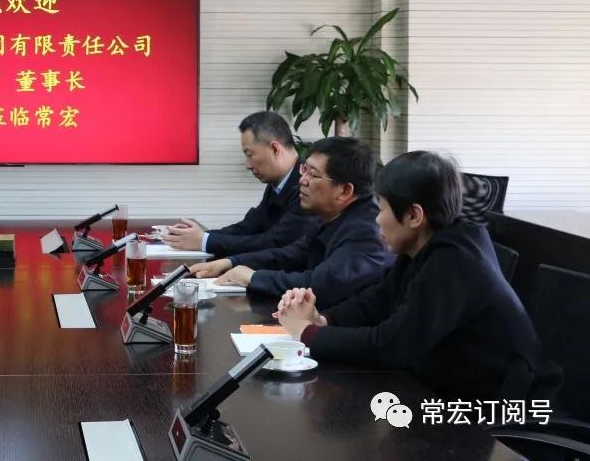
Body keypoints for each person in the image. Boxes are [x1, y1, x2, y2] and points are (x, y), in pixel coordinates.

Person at [274, 151, 561, 400]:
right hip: (445, 384)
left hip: (496, 405)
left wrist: (307, 333)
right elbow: (378, 299)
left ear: (414, 215)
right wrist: (323, 320)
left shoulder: (454, 261)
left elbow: (391, 345)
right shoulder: (427, 243)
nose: (376, 219)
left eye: (381, 208)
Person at [190, 136, 392, 307]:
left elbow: (319, 285)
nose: (302, 179)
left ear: (345, 191)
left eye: (313, 174)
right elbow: (290, 254)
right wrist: (230, 262)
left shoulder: (367, 231)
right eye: (305, 169)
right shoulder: (336, 215)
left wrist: (253, 277)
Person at [162, 111, 318, 256]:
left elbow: (275, 242)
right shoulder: (279, 182)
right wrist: (197, 236)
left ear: (275, 149)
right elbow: (248, 227)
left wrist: (204, 241)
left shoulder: (306, 187)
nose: (247, 165)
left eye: (250, 155)